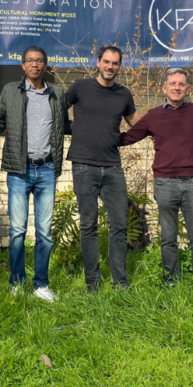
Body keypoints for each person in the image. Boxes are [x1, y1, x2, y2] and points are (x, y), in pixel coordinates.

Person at [120, 67, 193, 296]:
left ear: (188, 89)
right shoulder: (153, 116)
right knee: (168, 238)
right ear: (164, 88)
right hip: (165, 183)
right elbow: (128, 137)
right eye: (172, 84)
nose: (177, 88)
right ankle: (172, 280)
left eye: (181, 84)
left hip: (192, 182)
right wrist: (96, 134)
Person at [0, 46, 70, 301]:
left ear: (46, 65)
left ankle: (41, 284)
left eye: (40, 60)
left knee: (45, 231)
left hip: (46, 169)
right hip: (19, 169)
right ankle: (17, 282)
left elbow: (65, 127)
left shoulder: (57, 93)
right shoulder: (10, 91)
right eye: (30, 61)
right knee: (17, 230)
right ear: (23, 66)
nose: (35, 64)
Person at [65, 45, 141, 293]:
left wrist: (120, 139)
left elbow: (137, 126)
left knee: (119, 224)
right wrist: (73, 130)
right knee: (88, 225)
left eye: (115, 63)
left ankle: (120, 282)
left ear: (120, 66)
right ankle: (92, 283)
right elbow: (56, 111)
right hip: (84, 166)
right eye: (106, 62)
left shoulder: (123, 94)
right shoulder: (80, 87)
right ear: (98, 62)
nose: (110, 67)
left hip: (112, 167)